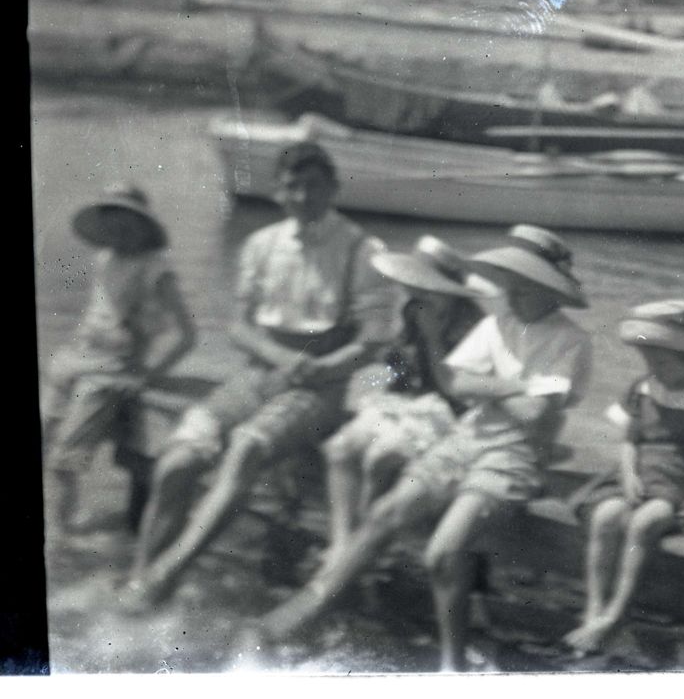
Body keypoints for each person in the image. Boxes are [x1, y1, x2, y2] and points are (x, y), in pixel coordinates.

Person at [245, 224, 593, 672]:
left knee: (441, 553)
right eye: (510, 282)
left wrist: (490, 387)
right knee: (385, 510)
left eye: (523, 285)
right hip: (466, 436)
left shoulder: (571, 341)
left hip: (514, 455)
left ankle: (452, 666)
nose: (512, 292)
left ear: (549, 289)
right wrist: (520, 385)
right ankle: (301, 614)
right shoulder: (493, 324)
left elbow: (535, 415)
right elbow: (455, 382)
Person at [120, 141, 393, 609]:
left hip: (321, 387)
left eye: (313, 186)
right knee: (176, 463)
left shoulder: (362, 250)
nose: (302, 197)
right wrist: (277, 355)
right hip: (257, 376)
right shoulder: (262, 245)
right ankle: (140, 576)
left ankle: (165, 576)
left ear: (333, 188)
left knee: (246, 447)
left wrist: (325, 366)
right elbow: (238, 327)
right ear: (277, 192)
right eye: (291, 187)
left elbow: (373, 340)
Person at [564, 300, 684, 655]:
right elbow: (630, 441)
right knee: (605, 516)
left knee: (643, 523)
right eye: (648, 361)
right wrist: (629, 475)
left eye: (662, 363)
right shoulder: (643, 387)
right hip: (639, 477)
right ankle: (594, 606)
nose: (653, 369)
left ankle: (617, 612)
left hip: (680, 482)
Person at [43, 184, 196, 539]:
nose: (117, 229)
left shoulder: (155, 267)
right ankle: (66, 523)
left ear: (143, 224)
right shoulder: (106, 258)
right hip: (77, 359)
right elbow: (98, 314)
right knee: (47, 438)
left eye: (126, 220)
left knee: (64, 461)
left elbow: (187, 334)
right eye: (110, 219)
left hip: (113, 369)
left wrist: (149, 374)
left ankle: (63, 537)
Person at [322, 235, 485, 558]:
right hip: (409, 404)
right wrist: (381, 365)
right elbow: (400, 366)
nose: (416, 291)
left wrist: (434, 339)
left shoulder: (472, 326)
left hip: (450, 412)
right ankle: (341, 543)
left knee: (381, 458)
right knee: (339, 449)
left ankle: (362, 547)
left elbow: (456, 388)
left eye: (425, 285)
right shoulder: (413, 309)